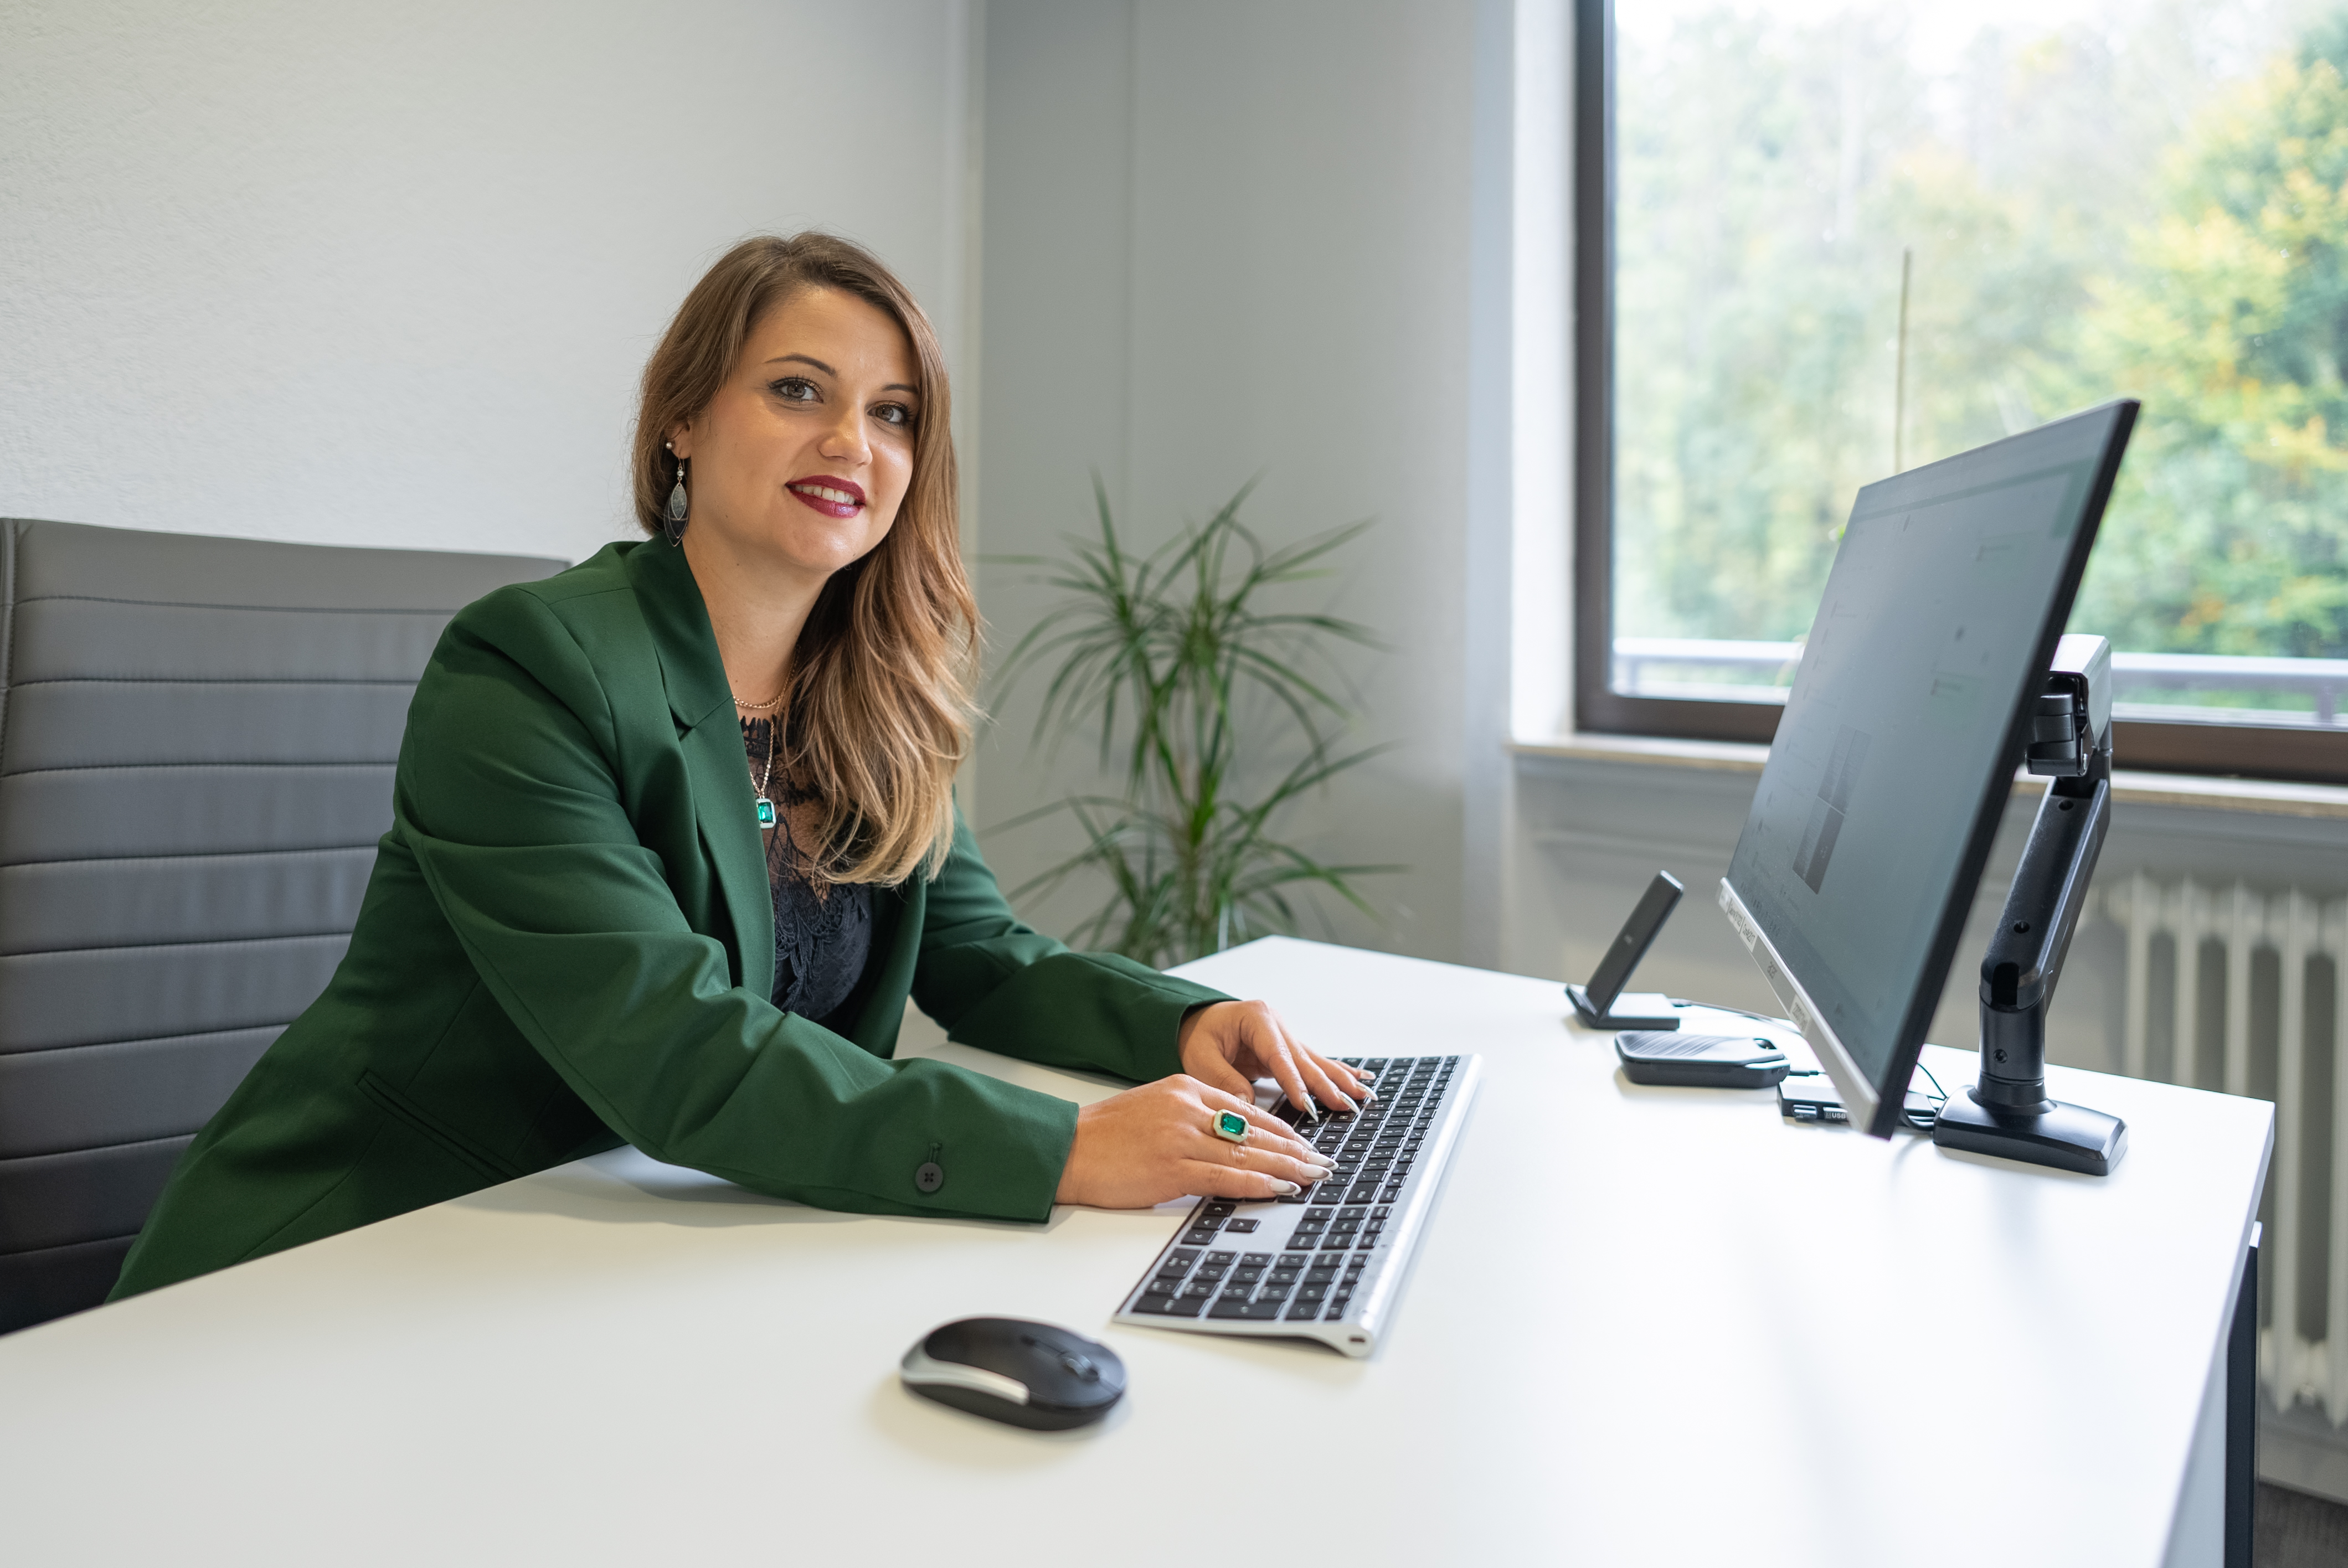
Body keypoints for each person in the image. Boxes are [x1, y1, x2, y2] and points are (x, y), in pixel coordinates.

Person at [110, 233, 1368, 1300]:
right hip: (366, 1259)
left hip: (651, 1254)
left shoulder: (874, 695)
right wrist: (1064, 1146)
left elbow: (984, 961)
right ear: (682, 420)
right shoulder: (531, 664)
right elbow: (676, 1047)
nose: (851, 443)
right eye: (797, 390)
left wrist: (1187, 1023)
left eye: (893, 414)